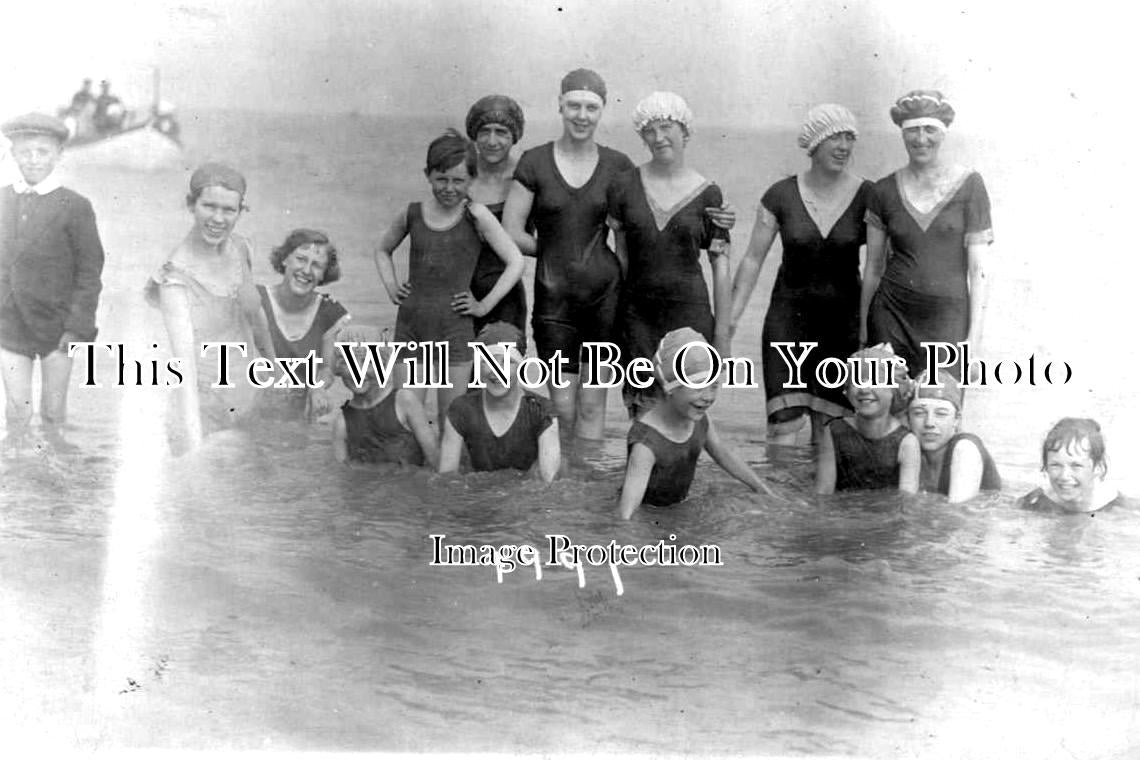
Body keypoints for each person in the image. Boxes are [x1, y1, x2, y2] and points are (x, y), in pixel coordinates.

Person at [501, 68, 633, 441]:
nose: (581, 115)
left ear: (602, 111)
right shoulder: (535, 161)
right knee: (562, 407)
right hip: (553, 301)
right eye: (573, 105)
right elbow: (512, 230)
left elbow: (632, 233)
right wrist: (557, 248)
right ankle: (564, 492)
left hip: (605, 301)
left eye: (591, 107)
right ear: (560, 105)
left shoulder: (618, 166)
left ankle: (587, 493)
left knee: (592, 407)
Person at [730, 104, 871, 444]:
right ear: (814, 144)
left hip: (843, 328)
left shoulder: (869, 196)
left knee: (831, 436)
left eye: (849, 138)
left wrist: (871, 327)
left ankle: (818, 501)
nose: (843, 146)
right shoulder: (780, 195)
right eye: (834, 137)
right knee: (783, 431)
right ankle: (777, 499)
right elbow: (752, 260)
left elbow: (880, 266)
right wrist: (730, 321)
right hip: (787, 325)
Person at [373, 130, 524, 430]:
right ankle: (410, 478)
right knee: (407, 416)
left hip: (455, 330)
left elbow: (515, 261)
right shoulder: (412, 214)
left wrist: (483, 306)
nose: (449, 188)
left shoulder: (476, 215)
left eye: (459, 181)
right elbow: (381, 249)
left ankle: (447, 477)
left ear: (472, 179)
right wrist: (391, 288)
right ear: (427, 175)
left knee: (451, 420)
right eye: (441, 179)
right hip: (410, 327)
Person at [607, 91, 733, 416]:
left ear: (685, 132)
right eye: (650, 131)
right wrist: (617, 319)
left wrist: (722, 335)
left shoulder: (708, 192)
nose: (658, 137)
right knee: (643, 410)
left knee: (689, 411)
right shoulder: (623, 185)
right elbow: (621, 260)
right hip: (639, 316)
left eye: (666, 127)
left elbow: (720, 265)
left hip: (691, 313)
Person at [861, 90, 994, 378]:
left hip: (948, 318)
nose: (921, 139)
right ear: (902, 134)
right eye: (912, 131)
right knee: (888, 413)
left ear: (943, 134)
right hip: (890, 315)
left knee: (938, 410)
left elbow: (979, 270)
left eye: (930, 129)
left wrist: (974, 341)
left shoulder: (969, 185)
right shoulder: (882, 190)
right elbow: (872, 267)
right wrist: (862, 330)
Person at [146, 162, 276, 454]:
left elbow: (256, 317)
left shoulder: (241, 247)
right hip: (202, 409)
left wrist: (277, 372)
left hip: (247, 397)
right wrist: (195, 450)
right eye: (209, 206)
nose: (218, 218)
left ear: (240, 211)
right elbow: (184, 368)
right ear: (191, 205)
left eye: (229, 210)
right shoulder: (175, 278)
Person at [0, 113, 104, 450]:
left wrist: (76, 328)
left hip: (58, 328)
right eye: (25, 152)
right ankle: (17, 483)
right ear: (13, 153)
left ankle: (56, 479)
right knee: (16, 413)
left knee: (53, 413)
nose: (33, 160)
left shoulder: (75, 206)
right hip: (9, 324)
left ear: (58, 155)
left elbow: (90, 274)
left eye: (42, 152)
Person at [618, 327, 770, 519]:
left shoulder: (698, 418)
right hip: (651, 516)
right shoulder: (647, 443)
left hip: (677, 509)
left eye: (714, 386)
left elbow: (722, 452)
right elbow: (627, 514)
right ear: (670, 387)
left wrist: (762, 489)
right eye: (698, 386)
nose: (708, 397)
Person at [439, 323, 560, 482]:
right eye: (488, 361)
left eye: (508, 362)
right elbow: (446, 480)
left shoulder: (541, 411)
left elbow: (549, 487)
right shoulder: (461, 410)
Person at [257, 228, 350, 420]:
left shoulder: (329, 312)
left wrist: (318, 388)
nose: (306, 270)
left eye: (316, 265)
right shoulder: (256, 299)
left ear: (324, 274)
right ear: (284, 259)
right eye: (300, 259)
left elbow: (327, 368)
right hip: (252, 410)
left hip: (296, 419)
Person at [464, 95, 529, 343]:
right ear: (473, 134)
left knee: (501, 375)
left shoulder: (526, 179)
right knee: (460, 379)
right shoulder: (459, 177)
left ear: (514, 136)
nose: (492, 141)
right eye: (484, 131)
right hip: (460, 295)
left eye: (501, 132)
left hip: (505, 296)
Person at [815, 344, 920, 493]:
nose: (864, 389)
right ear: (847, 389)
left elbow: (906, 502)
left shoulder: (906, 442)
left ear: (894, 391)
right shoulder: (834, 432)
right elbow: (823, 494)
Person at [331, 324, 438, 468]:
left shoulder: (404, 402)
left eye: (367, 362)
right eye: (349, 364)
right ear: (338, 368)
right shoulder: (342, 423)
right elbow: (342, 475)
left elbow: (435, 461)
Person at [907, 370, 1000, 501]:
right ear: (908, 418)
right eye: (919, 413)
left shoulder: (965, 448)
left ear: (957, 419)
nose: (929, 423)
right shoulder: (908, 448)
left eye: (941, 414)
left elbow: (958, 515)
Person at [1019, 418, 1132, 513]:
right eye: (1055, 465)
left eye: (1076, 466)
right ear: (1046, 467)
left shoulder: (1121, 509)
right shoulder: (1033, 503)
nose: (1064, 476)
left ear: (1099, 468)